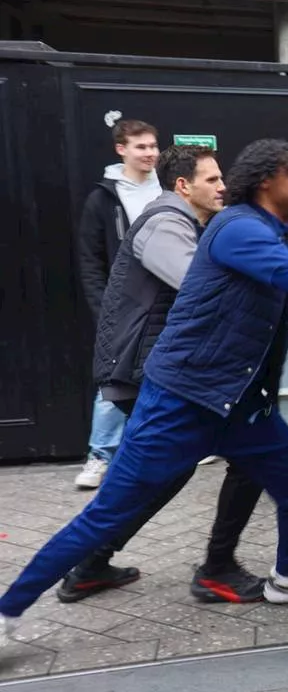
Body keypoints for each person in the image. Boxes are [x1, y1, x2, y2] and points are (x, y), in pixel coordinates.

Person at [0, 139, 288, 640]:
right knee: (105, 515)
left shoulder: (273, 233)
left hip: (240, 404)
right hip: (183, 399)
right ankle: (10, 608)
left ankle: (286, 579)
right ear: (270, 180)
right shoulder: (238, 230)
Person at [60, 144, 288, 606]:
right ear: (183, 186)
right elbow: (210, 290)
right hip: (157, 372)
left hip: (173, 371)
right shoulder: (166, 225)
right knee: (235, 463)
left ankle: (93, 564)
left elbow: (234, 306)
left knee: (172, 475)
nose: (223, 187)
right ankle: (215, 569)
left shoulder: (200, 227)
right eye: (212, 180)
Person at [74, 119, 162, 489]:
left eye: (154, 146)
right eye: (141, 147)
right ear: (121, 149)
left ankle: (167, 447)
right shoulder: (103, 198)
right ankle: (100, 457)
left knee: (170, 369)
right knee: (115, 378)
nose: (150, 153)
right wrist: (102, 308)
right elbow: (90, 260)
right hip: (123, 304)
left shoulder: (170, 187)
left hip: (166, 297)